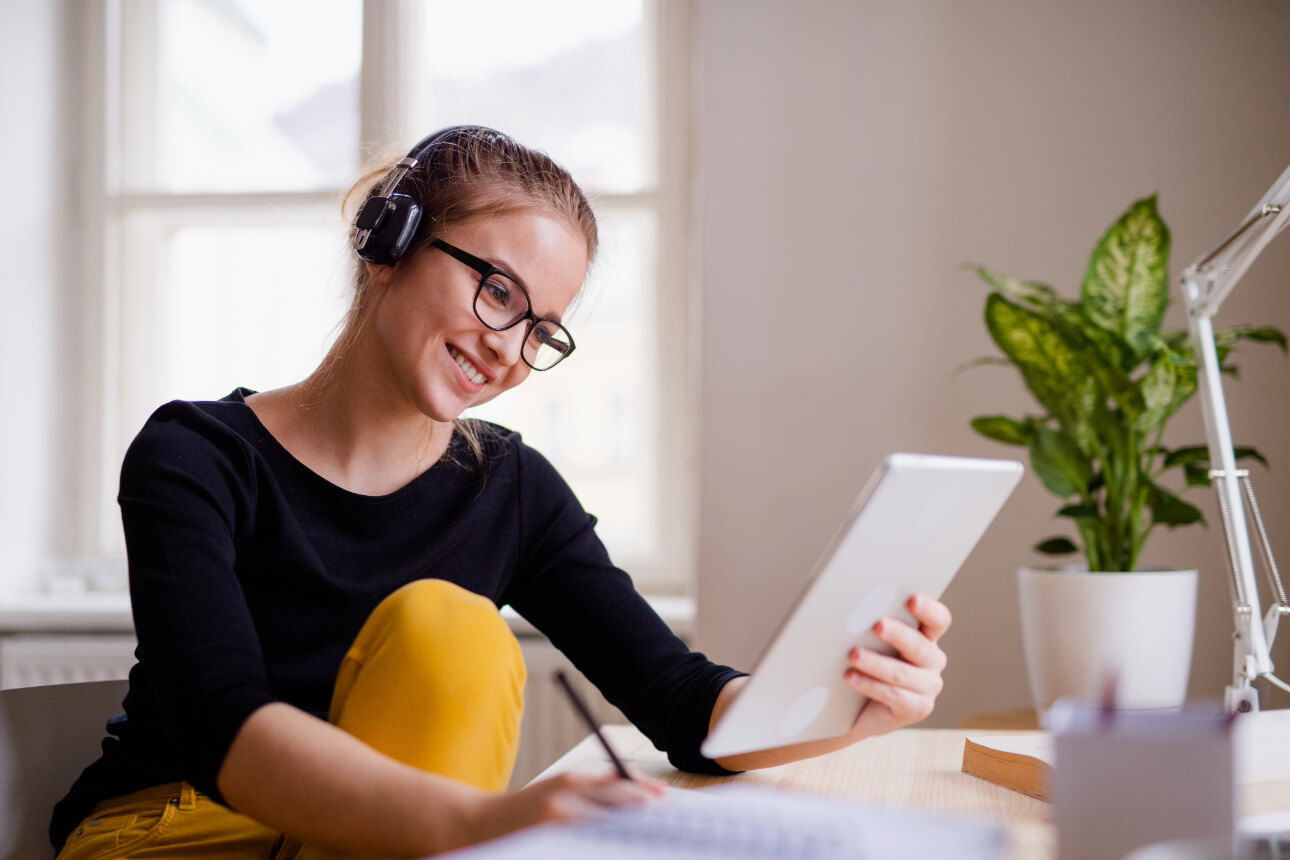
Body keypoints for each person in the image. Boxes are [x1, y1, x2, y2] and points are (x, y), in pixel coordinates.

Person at [50, 125, 952, 859]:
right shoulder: (196, 454)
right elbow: (221, 723)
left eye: (542, 330)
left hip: (388, 841)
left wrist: (838, 705)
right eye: (496, 291)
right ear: (387, 243)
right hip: (177, 828)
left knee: (455, 637)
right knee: (456, 628)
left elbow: (679, 700)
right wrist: (481, 825)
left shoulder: (511, 487)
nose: (508, 348)